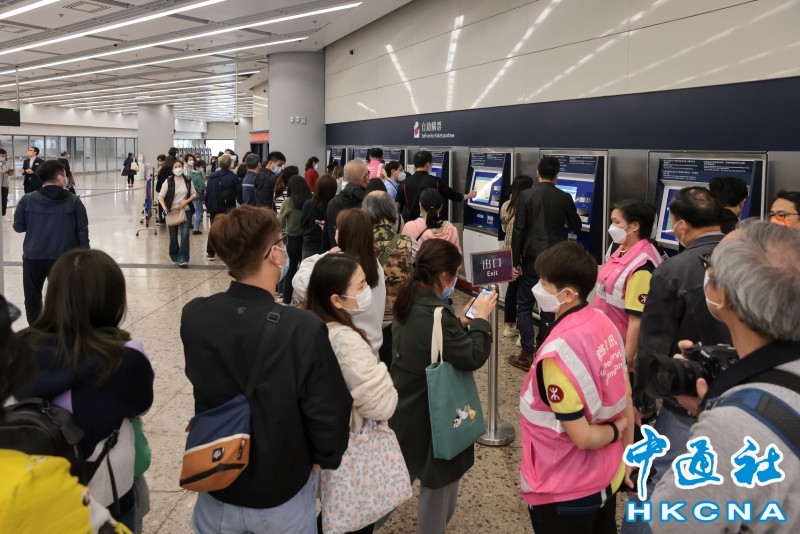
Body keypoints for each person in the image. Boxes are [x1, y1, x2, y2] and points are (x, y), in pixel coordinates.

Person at [181, 206, 352, 534]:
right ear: (274, 254)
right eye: (281, 242)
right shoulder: (302, 328)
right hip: (281, 493)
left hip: (216, 484)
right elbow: (328, 408)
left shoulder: (195, 315)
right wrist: (325, 456)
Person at [648, 220, 800, 534]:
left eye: (709, 265)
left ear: (724, 297)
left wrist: (713, 419)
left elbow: (671, 522)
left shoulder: (731, 427)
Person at [17, 249, 155, 530]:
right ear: (114, 299)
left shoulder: (14, 351)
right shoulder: (124, 360)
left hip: (27, 503)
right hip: (101, 504)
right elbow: (141, 405)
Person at [624, 186, 730, 534]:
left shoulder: (673, 271)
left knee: (656, 485)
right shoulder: (748, 260)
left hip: (684, 400)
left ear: (682, 226)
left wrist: (640, 401)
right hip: (741, 397)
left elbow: (652, 345)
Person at [519, 241, 632, 534]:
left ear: (568, 294)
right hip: (607, 475)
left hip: (564, 488)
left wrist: (618, 429)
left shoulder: (557, 355)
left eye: (544, 284)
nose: (538, 289)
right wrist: (627, 450)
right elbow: (626, 394)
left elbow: (582, 437)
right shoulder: (605, 322)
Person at [390, 239, 496, 534]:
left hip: (406, 403)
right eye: (454, 273)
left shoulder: (407, 298)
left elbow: (429, 340)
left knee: (396, 478)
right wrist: (481, 320)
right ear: (442, 276)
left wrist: (458, 323)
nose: (455, 280)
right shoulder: (437, 313)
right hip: (434, 408)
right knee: (439, 480)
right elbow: (472, 355)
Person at [304, 253, 398, 533]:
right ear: (337, 299)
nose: (367, 291)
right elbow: (382, 404)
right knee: (353, 522)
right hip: (349, 446)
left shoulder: (308, 325)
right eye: (360, 286)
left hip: (318, 443)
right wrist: (381, 371)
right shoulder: (346, 341)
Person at [509, 156, 582, 371]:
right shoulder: (565, 197)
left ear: (538, 173)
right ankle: (543, 349)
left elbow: (519, 230)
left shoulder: (526, 195)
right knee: (550, 304)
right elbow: (577, 225)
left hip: (531, 258)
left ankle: (526, 353)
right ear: (557, 175)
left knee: (524, 304)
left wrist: (515, 261)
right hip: (554, 258)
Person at [294, 208, 386, 359]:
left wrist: (326, 256)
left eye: (338, 228)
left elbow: (300, 281)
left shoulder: (340, 269)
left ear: (344, 234)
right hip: (372, 348)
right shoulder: (375, 265)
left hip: (344, 353)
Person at [593, 200, 666, 387]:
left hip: (624, 354)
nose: (611, 227)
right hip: (608, 345)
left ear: (634, 226)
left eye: (616, 222)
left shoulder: (641, 266)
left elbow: (637, 321)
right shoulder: (622, 248)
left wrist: (626, 362)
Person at [13, 160, 89, 324]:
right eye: (65, 175)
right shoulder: (74, 201)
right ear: (60, 178)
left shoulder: (27, 199)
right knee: (65, 297)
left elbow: (18, 227)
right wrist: (86, 258)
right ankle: (64, 329)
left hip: (33, 257)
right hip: (65, 259)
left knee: (32, 297)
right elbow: (82, 232)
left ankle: (35, 330)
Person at [362, 191, 416, 369]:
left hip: (368, 322)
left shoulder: (358, 244)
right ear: (392, 211)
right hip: (402, 321)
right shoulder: (410, 243)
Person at [499, 175, 534, 343]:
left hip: (508, 252)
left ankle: (509, 326)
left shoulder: (506, 205)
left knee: (512, 289)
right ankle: (522, 333)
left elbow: (504, 227)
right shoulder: (528, 205)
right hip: (522, 253)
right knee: (525, 293)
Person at [398, 150, 476, 222]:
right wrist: (468, 196)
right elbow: (453, 195)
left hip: (411, 223)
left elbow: (399, 206)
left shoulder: (404, 183)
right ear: (427, 164)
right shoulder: (436, 181)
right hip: (432, 223)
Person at [279, 176, 311, 304]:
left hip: (292, 240)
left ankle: (287, 300)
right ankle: (308, 300)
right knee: (307, 271)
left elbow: (280, 222)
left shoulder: (288, 202)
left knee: (291, 270)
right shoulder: (311, 200)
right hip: (307, 240)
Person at [157, 159, 195, 268]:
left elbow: (194, 194)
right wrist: (165, 208)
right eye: (175, 167)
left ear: (183, 167)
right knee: (173, 236)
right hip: (171, 211)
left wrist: (185, 202)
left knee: (185, 235)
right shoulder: (168, 181)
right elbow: (160, 196)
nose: (178, 168)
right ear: (172, 169)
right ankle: (175, 255)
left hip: (185, 210)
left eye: (180, 166)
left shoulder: (188, 180)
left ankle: (183, 258)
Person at [326, 159, 369, 248]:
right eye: (368, 174)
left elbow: (327, 236)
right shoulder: (368, 202)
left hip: (337, 253)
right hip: (362, 253)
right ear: (364, 178)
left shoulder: (332, 203)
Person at [204, 154, 238, 261]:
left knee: (214, 229)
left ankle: (210, 252)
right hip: (228, 206)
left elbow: (207, 192)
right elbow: (237, 192)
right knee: (228, 229)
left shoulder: (212, 176)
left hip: (214, 206)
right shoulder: (233, 177)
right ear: (230, 164)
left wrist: (208, 205)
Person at [301, 174, 337, 259]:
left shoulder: (308, 204)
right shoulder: (334, 206)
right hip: (329, 246)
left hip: (310, 245)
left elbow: (302, 224)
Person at [189, 159, 206, 235]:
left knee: (194, 212)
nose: (202, 168)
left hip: (192, 196)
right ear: (197, 167)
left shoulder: (190, 175)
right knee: (199, 213)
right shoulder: (198, 176)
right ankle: (195, 229)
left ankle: (192, 225)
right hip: (197, 196)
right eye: (201, 167)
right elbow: (203, 187)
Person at [0, 148, 12, 219]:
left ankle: (3, 215)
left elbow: (9, 172)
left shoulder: (7, 162)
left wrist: (10, 173)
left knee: (4, 200)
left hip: (5, 185)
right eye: (2, 156)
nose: (3, 157)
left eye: (5, 156)